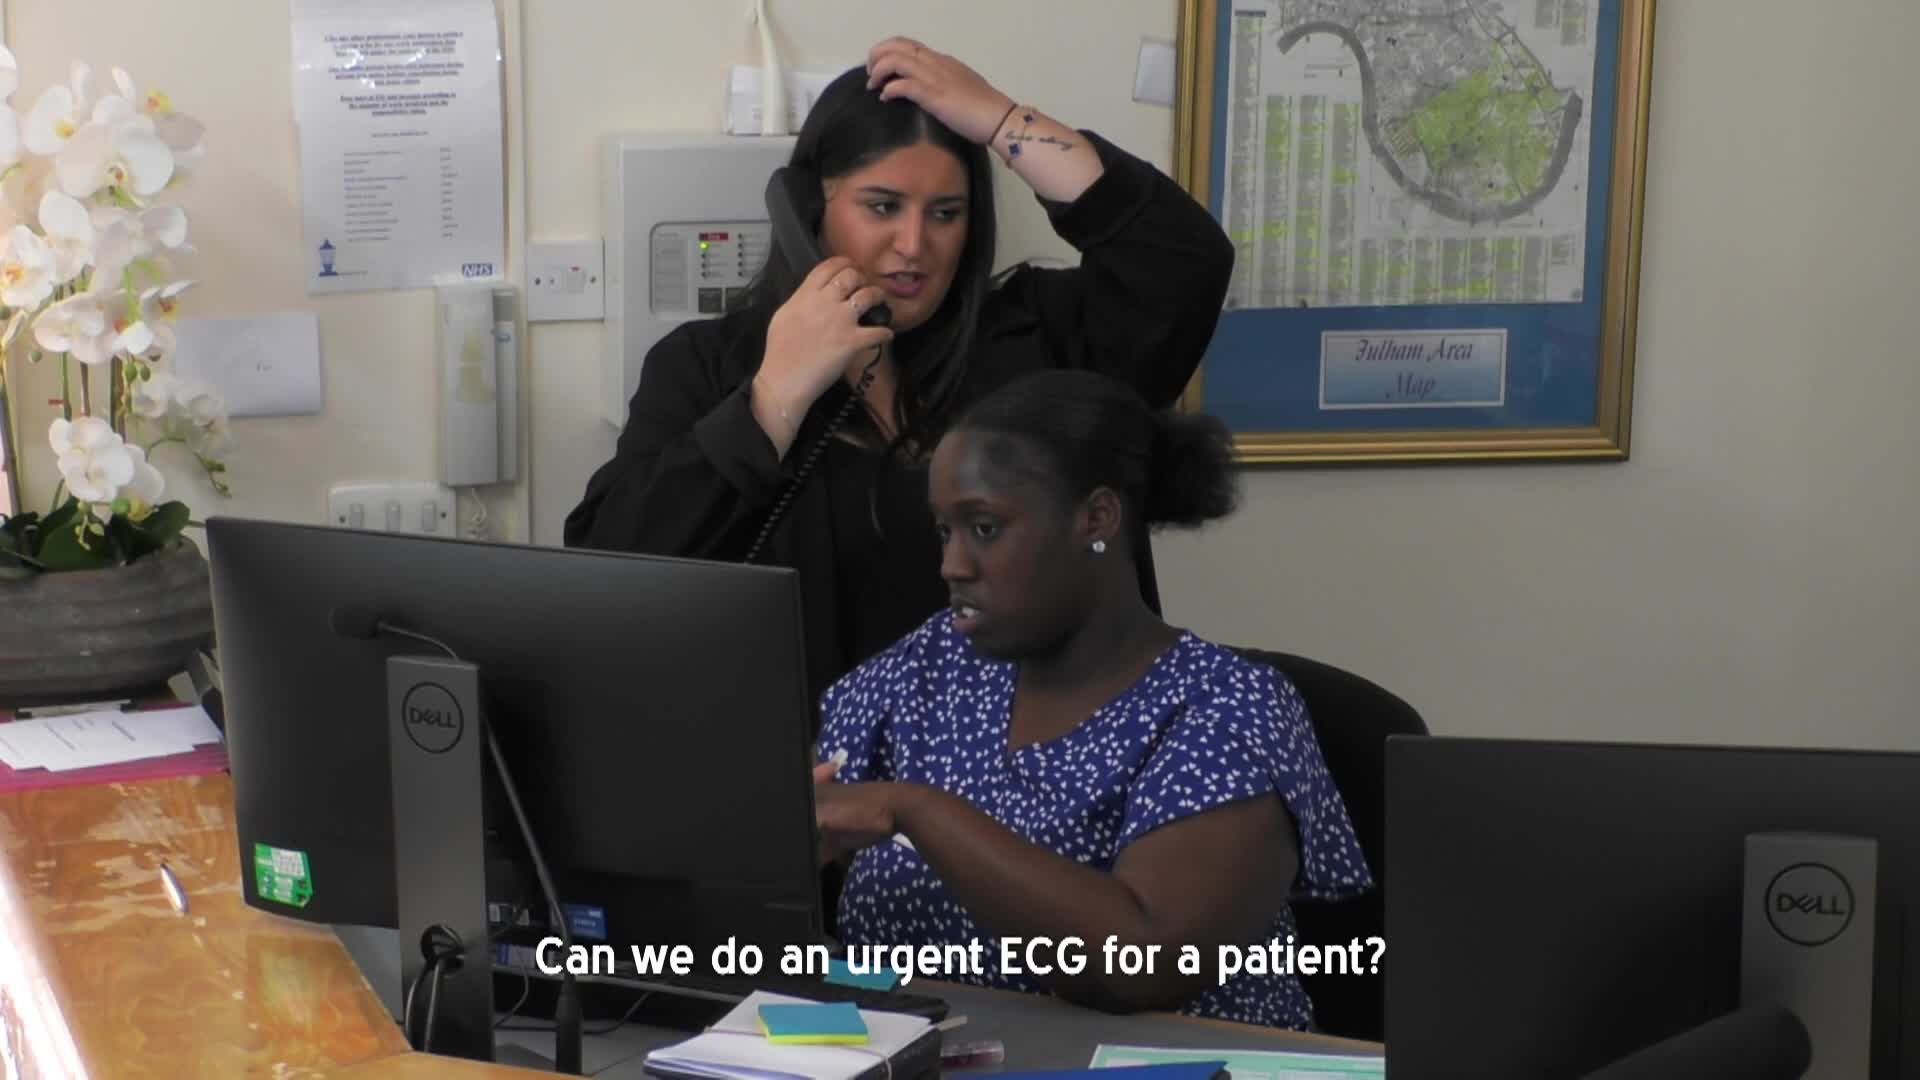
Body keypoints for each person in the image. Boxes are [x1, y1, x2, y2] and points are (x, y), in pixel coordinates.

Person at [564, 37, 1234, 713]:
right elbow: (611, 573)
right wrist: (771, 400)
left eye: (945, 213)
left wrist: (1004, 122)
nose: (914, 246)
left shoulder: (1041, 338)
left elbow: (1185, 263)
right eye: (882, 207)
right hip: (819, 769)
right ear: (807, 210)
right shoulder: (708, 366)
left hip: (1051, 763)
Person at [810, 370, 1372, 1030]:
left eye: (984, 528)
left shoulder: (1227, 707)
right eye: (945, 531)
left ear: (1096, 519)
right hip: (910, 1055)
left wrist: (912, 809)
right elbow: (803, 818)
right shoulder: (926, 668)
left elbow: (1144, 965)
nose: (952, 565)